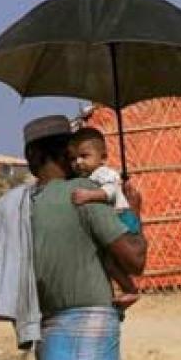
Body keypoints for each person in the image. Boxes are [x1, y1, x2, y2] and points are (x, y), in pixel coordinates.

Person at [19, 115, 168, 360]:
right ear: (66, 156)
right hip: (89, 332)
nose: (80, 163)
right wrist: (133, 210)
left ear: (31, 156)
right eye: (76, 156)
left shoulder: (16, 208)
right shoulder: (82, 193)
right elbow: (133, 258)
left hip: (48, 332)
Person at [68, 127, 141, 309]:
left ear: (103, 157)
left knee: (110, 262)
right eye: (73, 158)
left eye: (84, 156)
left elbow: (110, 191)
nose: (78, 162)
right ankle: (124, 290)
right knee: (108, 262)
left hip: (123, 219)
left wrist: (89, 196)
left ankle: (130, 289)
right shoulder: (91, 175)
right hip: (117, 220)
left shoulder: (104, 174)